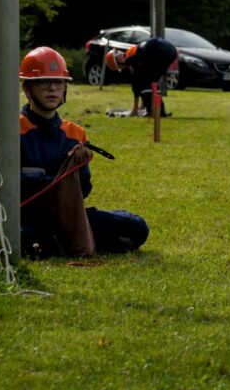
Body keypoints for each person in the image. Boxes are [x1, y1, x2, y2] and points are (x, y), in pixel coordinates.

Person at [15, 47, 149, 257]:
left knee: (137, 226)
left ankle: (62, 241)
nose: (52, 88)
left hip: (70, 217)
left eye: (58, 82)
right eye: (43, 81)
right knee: (20, 237)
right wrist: (52, 180)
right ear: (27, 88)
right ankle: (61, 242)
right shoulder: (12, 130)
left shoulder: (75, 133)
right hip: (29, 218)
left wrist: (76, 172)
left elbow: (84, 190)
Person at [108, 35, 179, 116]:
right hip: (171, 50)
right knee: (153, 81)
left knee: (144, 83)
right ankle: (160, 111)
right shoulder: (131, 52)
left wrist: (135, 108)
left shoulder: (130, 59)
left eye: (120, 67)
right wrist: (141, 105)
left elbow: (136, 84)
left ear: (118, 61)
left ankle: (151, 111)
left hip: (160, 51)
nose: (123, 68)